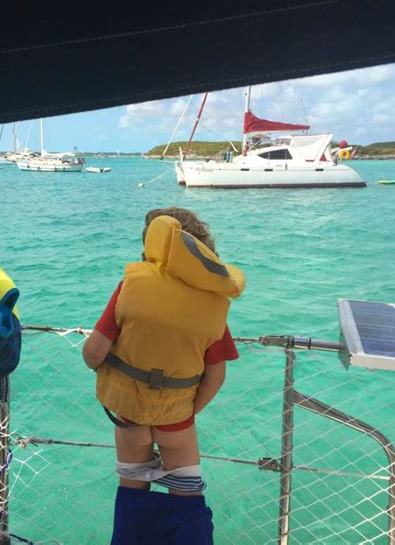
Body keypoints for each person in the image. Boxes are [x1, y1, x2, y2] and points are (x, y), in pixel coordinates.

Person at [82, 207, 245, 544]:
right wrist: (189, 408)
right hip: (177, 420)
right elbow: (216, 371)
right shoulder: (210, 302)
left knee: (132, 490)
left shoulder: (132, 286)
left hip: (131, 416)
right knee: (187, 495)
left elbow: (93, 352)